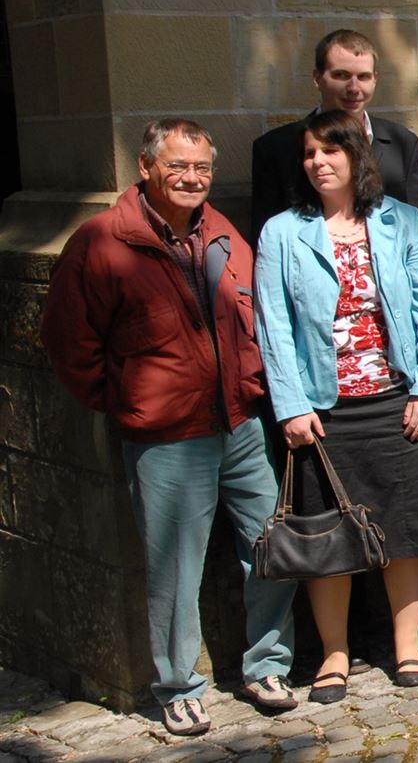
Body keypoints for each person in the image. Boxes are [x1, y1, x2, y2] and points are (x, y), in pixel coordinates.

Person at [44, 119, 299, 735]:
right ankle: (178, 685)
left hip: (239, 423)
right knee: (175, 570)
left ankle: (266, 664)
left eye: (202, 168)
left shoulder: (223, 233)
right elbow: (69, 342)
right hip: (165, 435)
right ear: (146, 167)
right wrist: (130, 399)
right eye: (178, 166)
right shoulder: (102, 241)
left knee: (273, 548)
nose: (191, 178)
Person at [254, 109, 418, 701]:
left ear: (356, 157)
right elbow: (273, 326)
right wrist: (290, 405)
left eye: (331, 151)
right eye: (310, 153)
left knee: (407, 527)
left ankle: (407, 645)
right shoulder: (282, 233)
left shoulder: (403, 222)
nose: (318, 162)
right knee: (328, 536)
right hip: (323, 409)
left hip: (397, 400)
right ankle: (335, 653)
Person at [252, 29, 418, 242]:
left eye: (363, 77)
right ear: (317, 78)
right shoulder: (275, 148)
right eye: (341, 75)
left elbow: (417, 231)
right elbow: (265, 238)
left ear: (375, 79)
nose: (354, 88)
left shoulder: (402, 143)